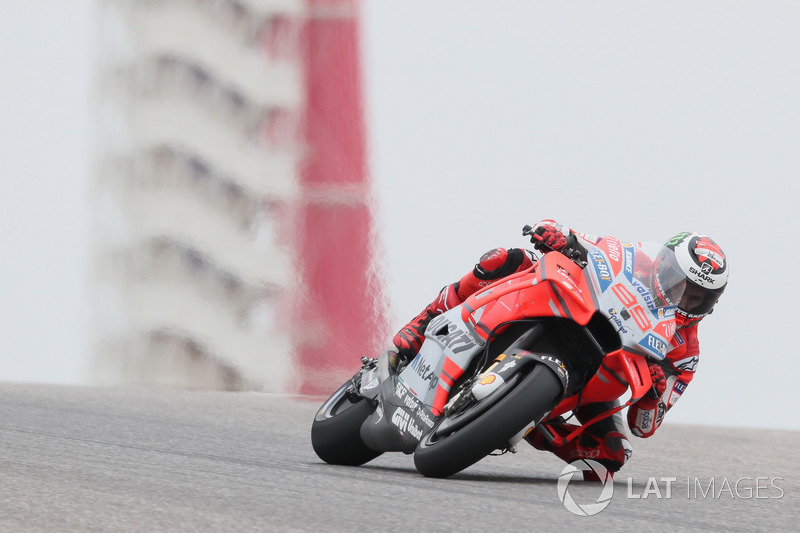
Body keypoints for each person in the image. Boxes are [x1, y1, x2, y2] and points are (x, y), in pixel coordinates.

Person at [391, 219, 729, 476]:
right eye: (681, 284)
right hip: (573, 313)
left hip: (598, 378)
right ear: (664, 264)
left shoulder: (686, 354)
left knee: (612, 456)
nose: (684, 298)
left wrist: (654, 393)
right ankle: (426, 318)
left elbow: (645, 426)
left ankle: (525, 421)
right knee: (509, 258)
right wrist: (556, 235)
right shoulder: (632, 258)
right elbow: (584, 243)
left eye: (696, 297)